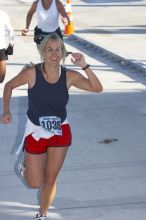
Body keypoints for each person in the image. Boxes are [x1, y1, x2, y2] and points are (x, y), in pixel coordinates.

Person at [1, 33, 103, 220]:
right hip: (36, 131)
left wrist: (84, 66)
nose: (54, 54)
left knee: (51, 178)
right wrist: (6, 110)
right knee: (34, 182)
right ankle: (26, 164)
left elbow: (97, 88)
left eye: (58, 50)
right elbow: (8, 86)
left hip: (60, 131)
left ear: (63, 53)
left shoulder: (69, 76)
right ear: (43, 52)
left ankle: (42, 214)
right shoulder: (32, 73)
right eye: (50, 49)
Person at [0, 10, 14, 83]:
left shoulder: (3, 14)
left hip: (1, 48)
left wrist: (11, 44)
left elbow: (10, 30)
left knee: (1, 78)